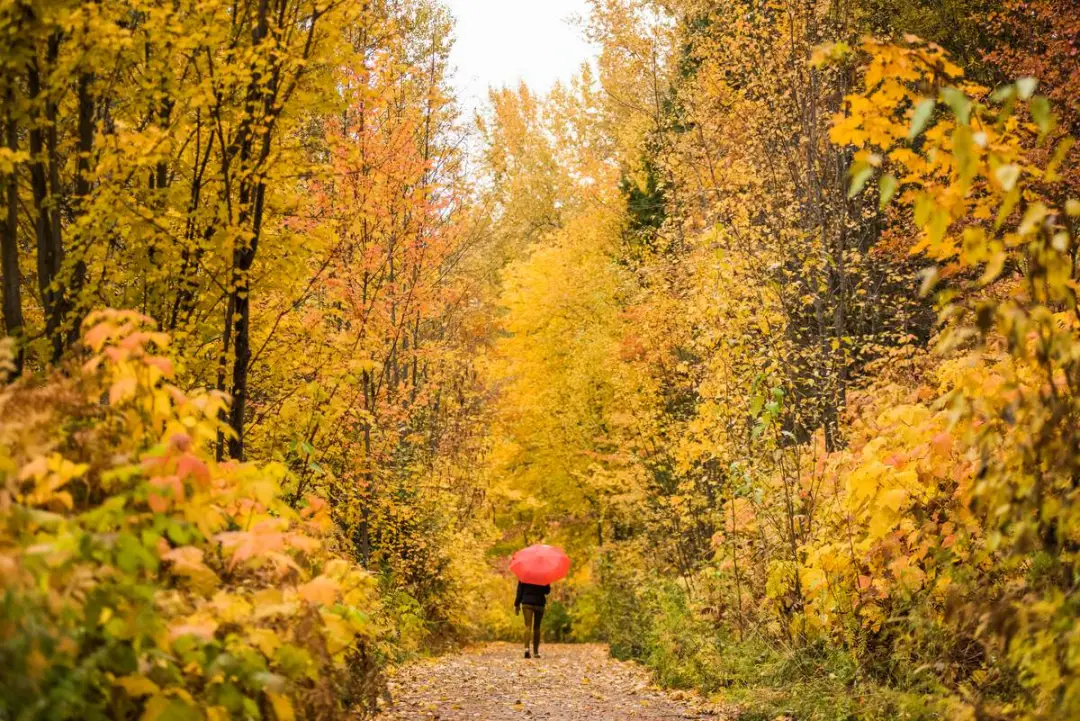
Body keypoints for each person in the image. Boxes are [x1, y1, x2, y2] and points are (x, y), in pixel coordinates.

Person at [514, 580, 550, 659]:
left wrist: (517, 604)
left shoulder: (524, 575)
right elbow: (547, 591)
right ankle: (536, 652)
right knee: (537, 627)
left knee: (528, 626)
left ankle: (527, 649)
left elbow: (520, 591)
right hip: (539, 604)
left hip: (527, 603)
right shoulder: (543, 575)